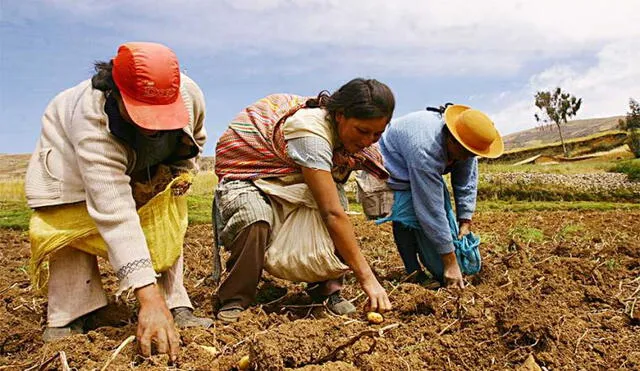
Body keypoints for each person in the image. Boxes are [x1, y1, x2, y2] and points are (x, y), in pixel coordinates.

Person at [25, 42, 211, 360]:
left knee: (163, 215)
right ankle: (70, 314)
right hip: (70, 172)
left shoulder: (188, 93)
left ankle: (174, 301)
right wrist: (146, 300)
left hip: (148, 163)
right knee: (70, 227)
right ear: (117, 93)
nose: (152, 126)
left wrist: (180, 175)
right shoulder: (91, 122)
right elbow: (115, 212)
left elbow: (196, 137)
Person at [213, 78, 395, 323]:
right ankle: (236, 298)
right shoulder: (310, 133)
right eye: (362, 131)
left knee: (334, 204)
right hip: (252, 174)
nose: (367, 141)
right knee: (253, 218)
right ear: (340, 115)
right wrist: (367, 278)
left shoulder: (352, 143)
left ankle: (327, 290)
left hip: (294, 176)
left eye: (377, 134)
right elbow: (332, 213)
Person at [377, 104, 504, 288]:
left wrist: (465, 220)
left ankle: (435, 259)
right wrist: (450, 263)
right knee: (406, 217)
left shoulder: (466, 144)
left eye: (471, 155)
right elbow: (431, 209)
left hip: (419, 162)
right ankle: (413, 272)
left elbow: (466, 180)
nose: (466, 158)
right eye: (464, 153)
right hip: (393, 165)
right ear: (451, 140)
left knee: (443, 232)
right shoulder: (425, 150)